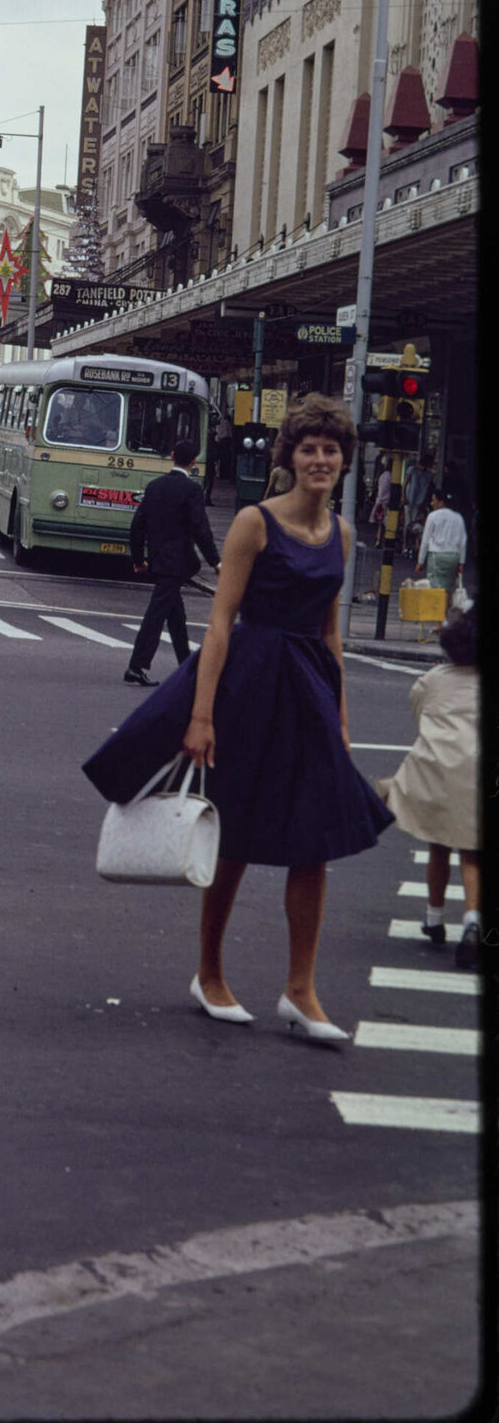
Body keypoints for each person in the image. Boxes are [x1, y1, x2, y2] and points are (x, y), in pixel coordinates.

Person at [83, 393, 393, 1041]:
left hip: (308, 686)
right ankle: (210, 972)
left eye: (330, 449)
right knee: (236, 829)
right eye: (308, 448)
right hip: (250, 681)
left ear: (343, 460)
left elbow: (332, 634)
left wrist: (340, 715)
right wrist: (201, 715)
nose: (319, 458)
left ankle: (301, 990)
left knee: (316, 838)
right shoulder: (256, 522)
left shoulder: (340, 533)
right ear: (291, 455)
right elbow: (220, 622)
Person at [375, 608, 480, 972]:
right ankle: (472, 919)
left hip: (438, 772)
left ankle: (435, 918)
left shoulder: (433, 679)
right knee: (472, 852)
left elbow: (420, 714)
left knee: (439, 845)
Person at [124, 438, 220, 686]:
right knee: (156, 615)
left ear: (172, 455)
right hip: (178, 562)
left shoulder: (155, 487)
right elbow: (201, 529)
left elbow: (137, 526)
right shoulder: (192, 491)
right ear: (193, 462)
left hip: (158, 559)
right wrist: (215, 562)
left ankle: (187, 668)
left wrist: (138, 559)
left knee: (176, 616)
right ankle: (137, 665)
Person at [416, 488, 467, 593]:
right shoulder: (458, 517)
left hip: (437, 555)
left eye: (433, 500)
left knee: (434, 586)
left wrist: (421, 561)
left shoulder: (432, 516)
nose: (431, 503)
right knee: (449, 587)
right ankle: (445, 608)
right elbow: (463, 541)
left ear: (441, 502)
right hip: (453, 556)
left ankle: (435, 608)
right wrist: (461, 562)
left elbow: (425, 540)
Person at [401, 452, 435, 558]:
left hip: (420, 502)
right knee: (408, 523)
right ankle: (404, 546)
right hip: (410, 500)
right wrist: (403, 497)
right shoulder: (412, 470)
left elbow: (428, 489)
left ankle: (416, 545)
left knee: (418, 524)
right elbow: (405, 483)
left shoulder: (429, 475)